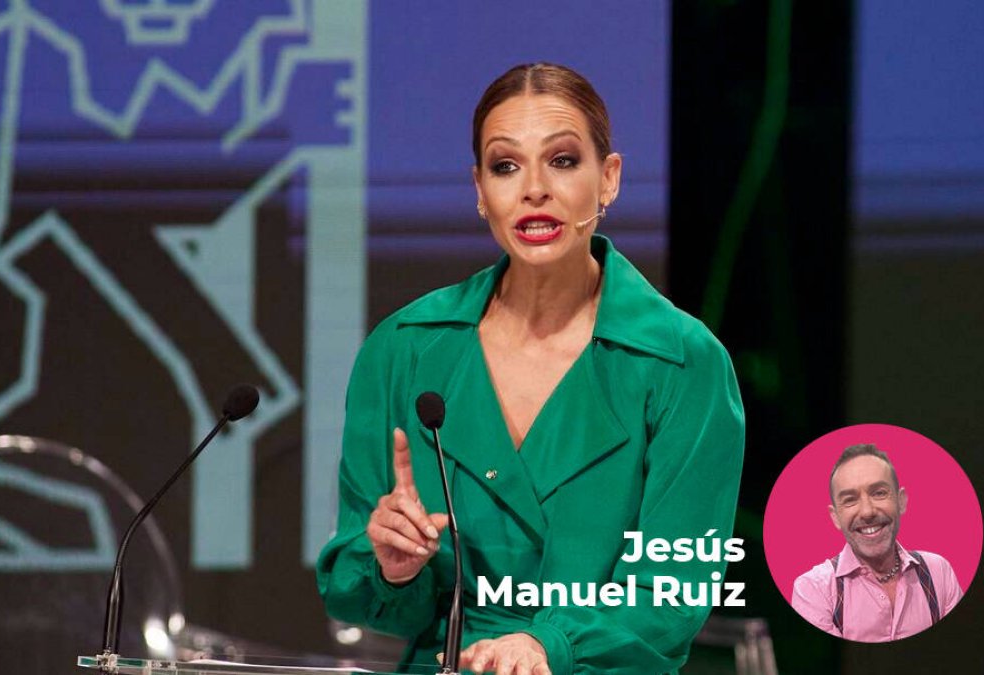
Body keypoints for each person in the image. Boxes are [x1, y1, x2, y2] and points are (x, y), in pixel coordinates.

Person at [316, 63, 744, 674]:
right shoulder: (405, 348)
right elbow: (360, 592)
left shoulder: (683, 362)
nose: (534, 189)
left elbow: (676, 590)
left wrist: (553, 645)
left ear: (609, 179)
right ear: (479, 191)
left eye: (564, 160)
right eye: (506, 165)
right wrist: (392, 566)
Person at [791, 444, 962, 642]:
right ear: (835, 517)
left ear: (901, 501)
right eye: (850, 500)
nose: (867, 511)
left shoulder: (938, 572)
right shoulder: (814, 589)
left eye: (879, 493)